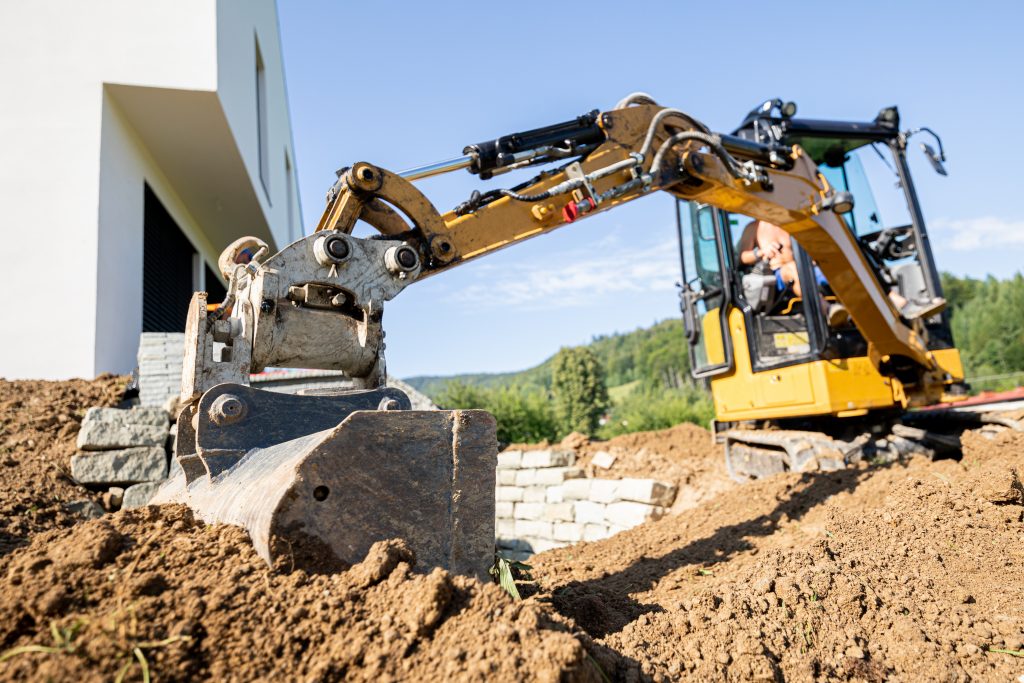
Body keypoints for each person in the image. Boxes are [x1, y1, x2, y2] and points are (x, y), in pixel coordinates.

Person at [736, 220, 849, 326]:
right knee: (793, 269)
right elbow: (743, 257)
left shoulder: (789, 224)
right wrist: (761, 252)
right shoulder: (753, 228)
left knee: (835, 270)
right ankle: (828, 310)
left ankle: (851, 310)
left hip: (801, 267)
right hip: (776, 274)